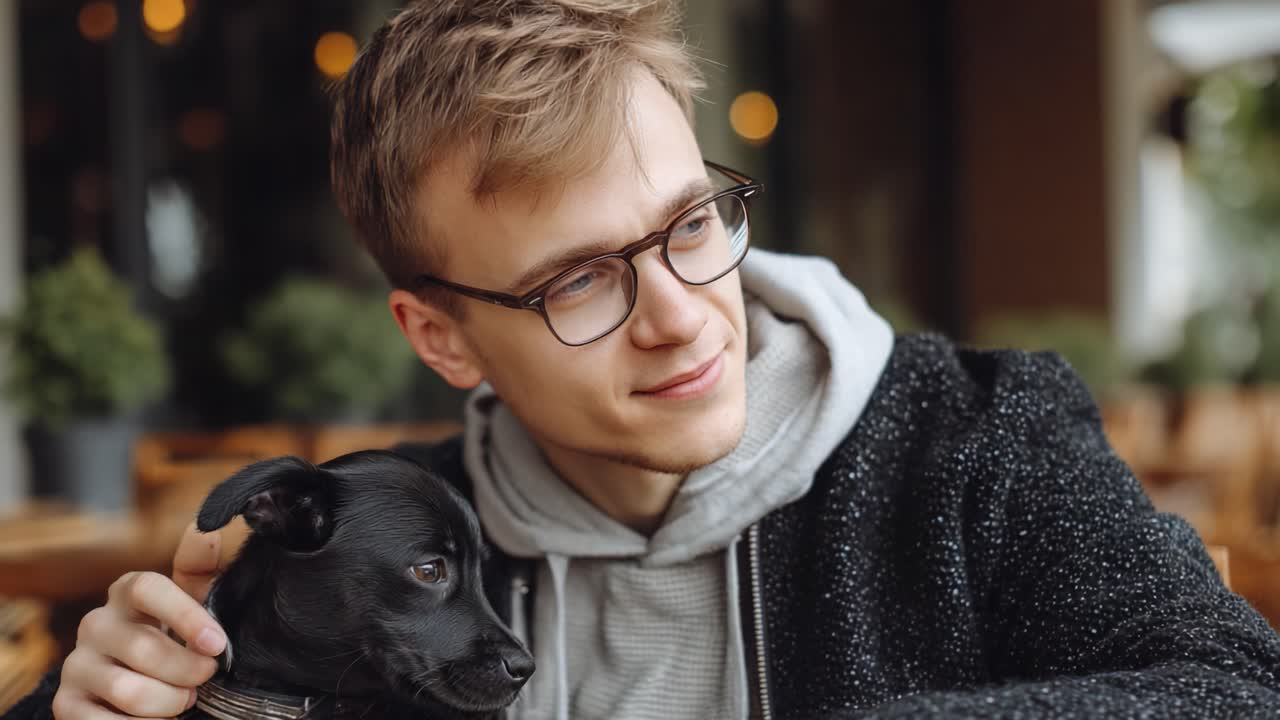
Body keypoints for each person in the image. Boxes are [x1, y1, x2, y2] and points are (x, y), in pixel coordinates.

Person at [11, 1, 1280, 718]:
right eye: (576, 281)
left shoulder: (977, 444)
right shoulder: (392, 545)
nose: (679, 314)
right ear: (442, 336)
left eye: (686, 227)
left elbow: (1230, 688)